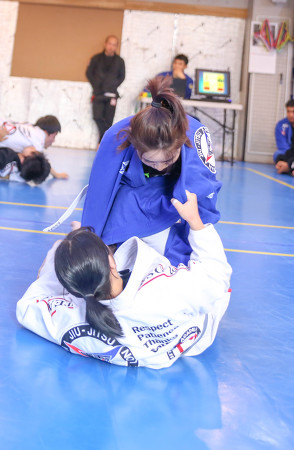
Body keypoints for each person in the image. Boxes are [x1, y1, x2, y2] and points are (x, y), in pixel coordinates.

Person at [16, 190, 232, 369]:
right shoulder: (167, 291)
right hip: (197, 330)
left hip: (157, 342)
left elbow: (27, 305)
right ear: (111, 261)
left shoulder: (69, 318)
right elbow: (217, 278)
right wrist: (195, 221)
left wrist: (64, 255)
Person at [80, 76, 221, 266]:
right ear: (135, 146)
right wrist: (92, 242)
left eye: (168, 160)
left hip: (174, 198)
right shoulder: (115, 137)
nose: (160, 166)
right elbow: (99, 196)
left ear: (181, 145)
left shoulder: (197, 136)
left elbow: (205, 197)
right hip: (134, 193)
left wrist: (199, 234)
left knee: (180, 255)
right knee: (107, 247)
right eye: (149, 161)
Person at [86, 35, 126, 142]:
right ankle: (103, 140)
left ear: (116, 46)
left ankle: (102, 143)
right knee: (97, 117)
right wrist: (96, 85)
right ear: (105, 44)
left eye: (114, 45)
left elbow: (122, 76)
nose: (111, 47)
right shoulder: (96, 58)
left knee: (108, 121)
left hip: (112, 95)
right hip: (98, 93)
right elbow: (89, 73)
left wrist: (113, 85)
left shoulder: (120, 61)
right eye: (109, 44)